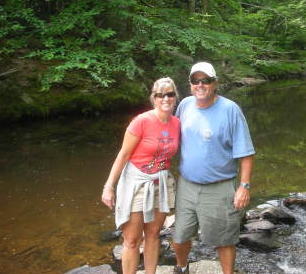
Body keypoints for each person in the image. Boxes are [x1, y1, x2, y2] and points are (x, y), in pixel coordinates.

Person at [172, 62, 255, 274]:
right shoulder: (184, 106)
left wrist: (244, 186)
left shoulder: (230, 110)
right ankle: (181, 268)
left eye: (206, 80)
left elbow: (245, 153)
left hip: (220, 187)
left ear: (215, 83)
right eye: (195, 81)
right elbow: (171, 138)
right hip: (187, 186)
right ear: (190, 84)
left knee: (225, 240)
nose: (200, 85)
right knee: (180, 236)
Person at [101, 77, 181, 274]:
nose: (165, 99)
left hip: (160, 183)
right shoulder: (141, 122)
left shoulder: (177, 123)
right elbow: (123, 155)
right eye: (160, 95)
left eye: (170, 94)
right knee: (132, 239)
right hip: (136, 183)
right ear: (153, 98)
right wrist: (109, 186)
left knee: (153, 235)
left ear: (175, 97)